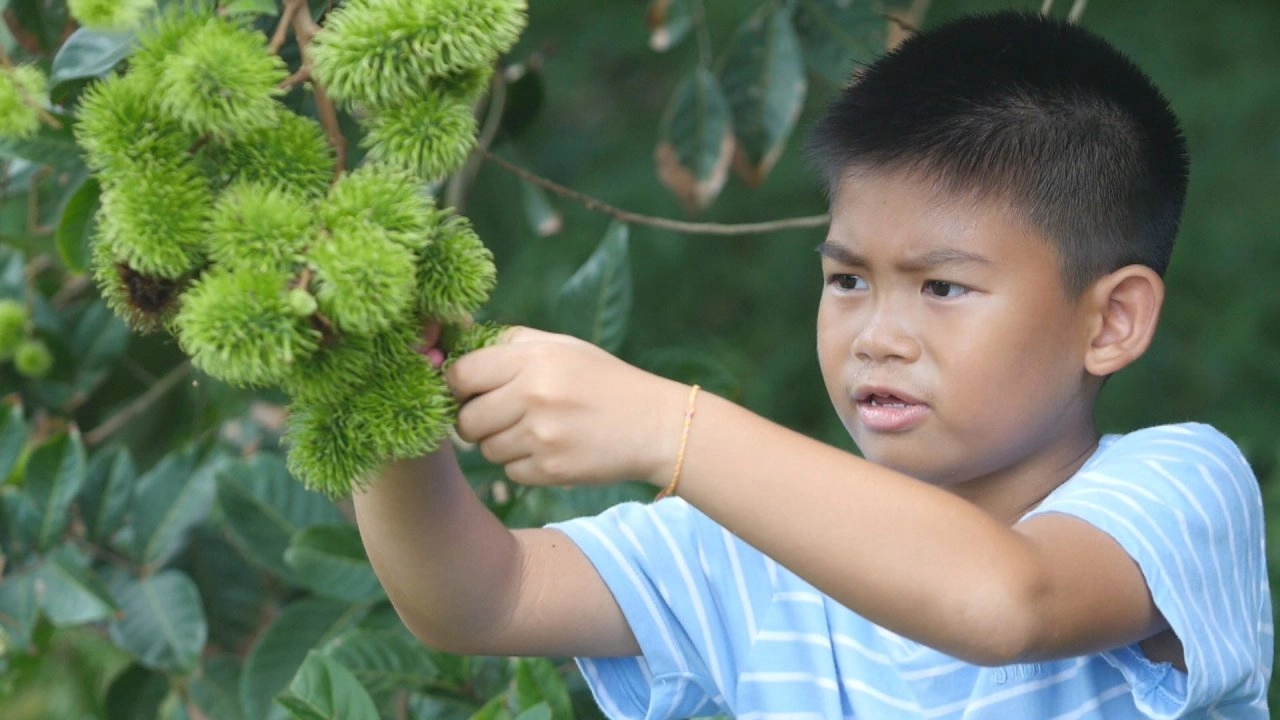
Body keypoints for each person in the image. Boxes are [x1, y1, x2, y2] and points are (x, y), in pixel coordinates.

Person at [353, 10, 1272, 719]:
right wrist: (375, 389)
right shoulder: (750, 541)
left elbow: (1008, 601)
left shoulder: (1179, 487)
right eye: (847, 279)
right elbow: (481, 598)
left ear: (1111, 320)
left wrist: (663, 424)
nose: (877, 334)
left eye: (942, 288)